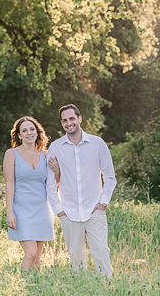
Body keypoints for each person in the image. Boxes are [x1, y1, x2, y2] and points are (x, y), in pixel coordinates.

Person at [46, 104, 117, 278]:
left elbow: (110, 177)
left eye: (72, 118)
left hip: (95, 209)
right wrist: (59, 211)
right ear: (61, 123)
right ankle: (83, 293)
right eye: (65, 120)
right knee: (76, 258)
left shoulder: (97, 144)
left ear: (79, 119)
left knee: (101, 252)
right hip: (68, 212)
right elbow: (49, 183)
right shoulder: (55, 147)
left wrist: (103, 203)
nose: (69, 123)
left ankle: (107, 289)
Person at [4, 116, 54, 270]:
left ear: (38, 132)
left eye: (32, 129)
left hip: (42, 210)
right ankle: (21, 286)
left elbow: (52, 184)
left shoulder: (45, 155)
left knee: (38, 257)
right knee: (31, 253)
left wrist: (57, 172)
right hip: (21, 211)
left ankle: (33, 290)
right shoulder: (11, 154)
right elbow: (9, 183)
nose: (29, 133)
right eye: (24, 130)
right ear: (19, 135)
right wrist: (9, 212)